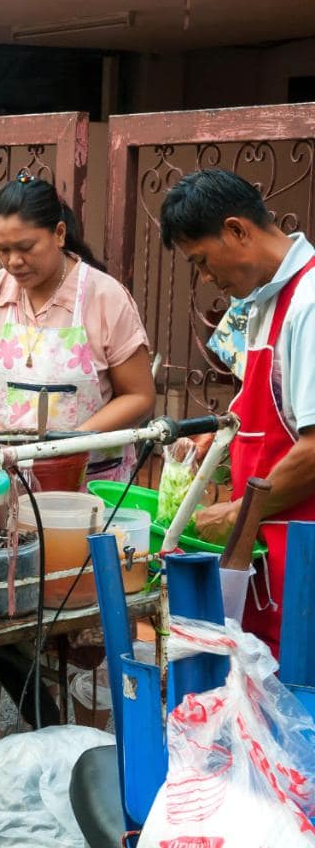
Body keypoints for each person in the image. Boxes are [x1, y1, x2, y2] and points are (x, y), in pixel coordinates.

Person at [160, 169, 315, 655]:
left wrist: (237, 514)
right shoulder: (262, 302)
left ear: (236, 230)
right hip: (269, 553)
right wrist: (224, 442)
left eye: (202, 260)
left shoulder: (309, 304)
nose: (207, 277)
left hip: (302, 552)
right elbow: (272, 408)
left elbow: (313, 451)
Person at [0, 173, 156, 481]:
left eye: (26, 247)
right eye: (3, 249)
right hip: (3, 479)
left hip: (86, 481)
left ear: (59, 233)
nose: (14, 261)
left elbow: (139, 396)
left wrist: (72, 443)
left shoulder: (104, 296)